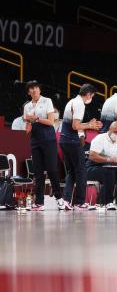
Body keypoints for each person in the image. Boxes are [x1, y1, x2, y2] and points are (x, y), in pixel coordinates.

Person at [22, 81, 66, 210]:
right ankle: (39, 202)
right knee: (38, 172)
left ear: (39, 90)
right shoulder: (27, 106)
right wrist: (28, 126)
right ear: (28, 92)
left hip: (48, 139)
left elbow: (51, 121)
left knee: (52, 169)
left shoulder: (47, 101)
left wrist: (36, 119)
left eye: (36, 88)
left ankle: (59, 198)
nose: (34, 90)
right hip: (35, 140)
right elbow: (28, 126)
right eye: (31, 89)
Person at [60, 84, 103, 208]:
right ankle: (80, 203)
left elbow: (74, 124)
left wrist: (88, 123)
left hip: (64, 140)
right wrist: (90, 126)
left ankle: (66, 200)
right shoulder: (80, 104)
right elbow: (75, 126)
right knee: (81, 171)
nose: (91, 99)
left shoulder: (72, 101)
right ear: (89, 94)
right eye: (92, 96)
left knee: (72, 172)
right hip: (72, 141)